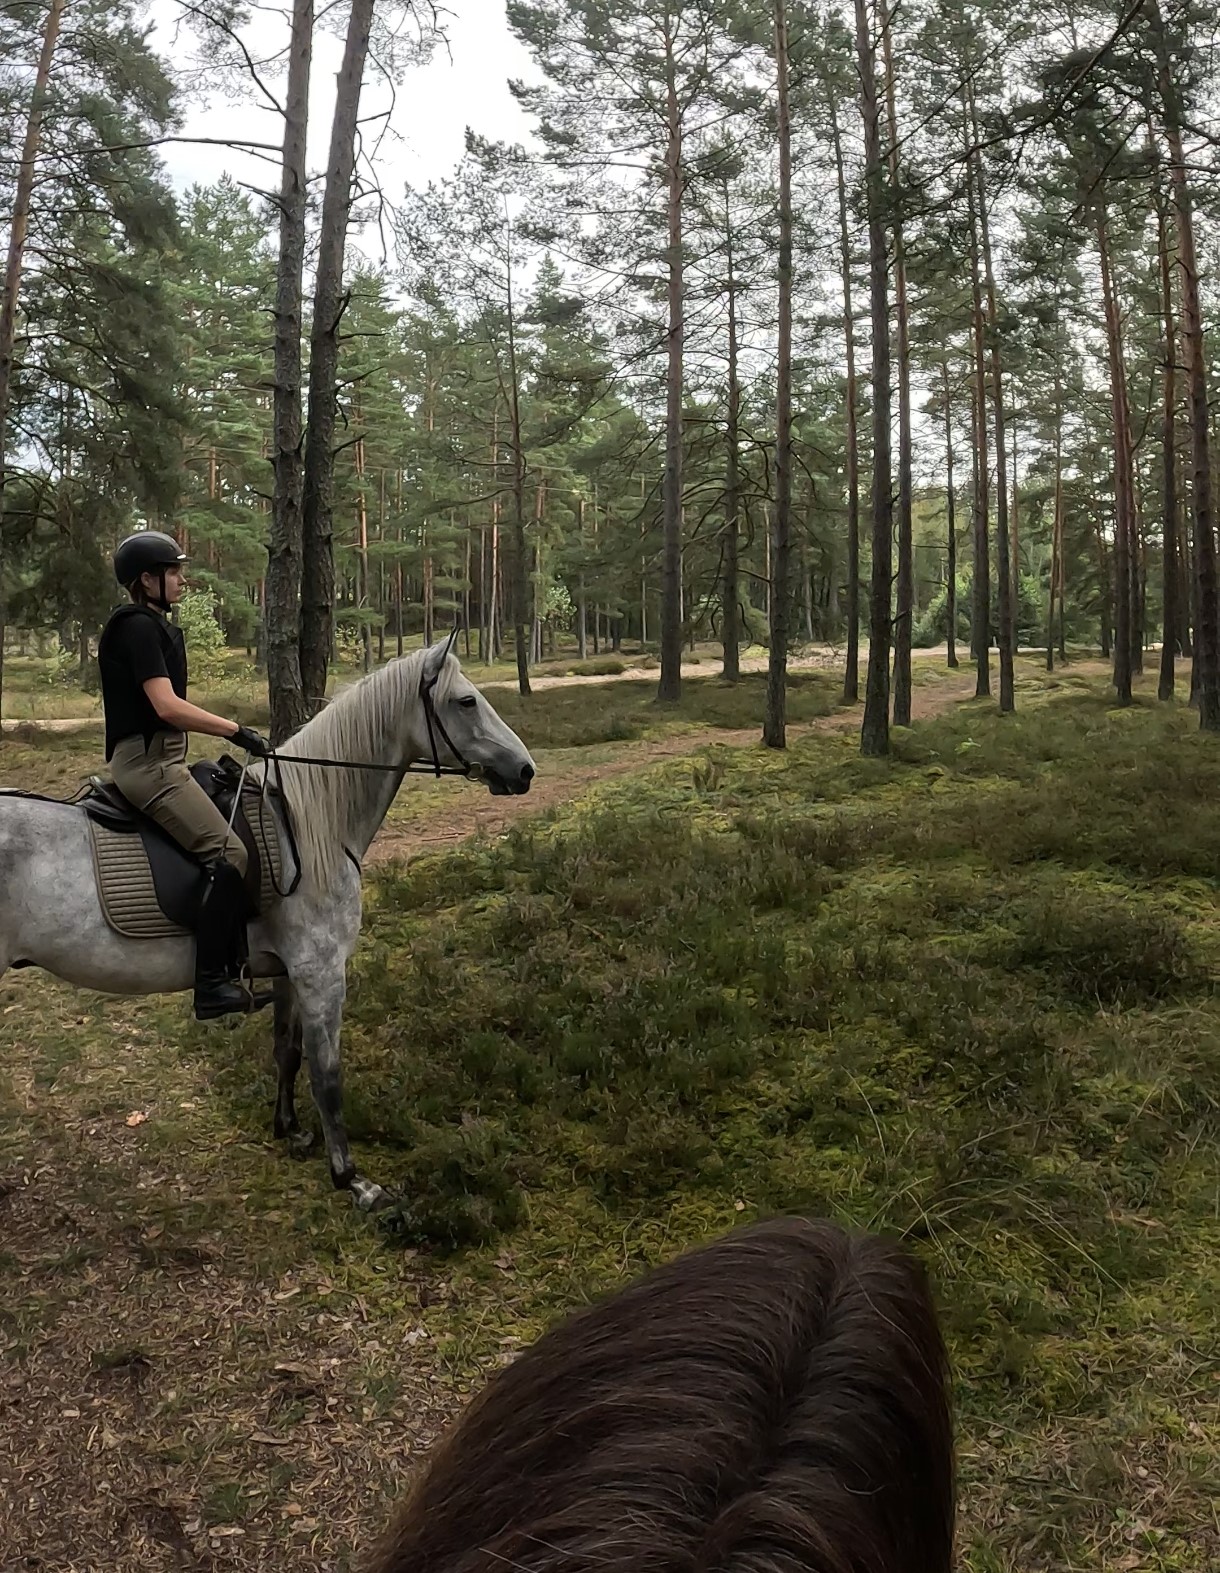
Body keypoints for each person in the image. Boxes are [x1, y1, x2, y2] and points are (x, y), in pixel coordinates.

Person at [98, 531, 274, 1021]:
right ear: (146, 580)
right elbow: (167, 707)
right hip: (149, 767)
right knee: (230, 853)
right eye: (172, 571)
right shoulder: (136, 628)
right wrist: (235, 730)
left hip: (166, 760)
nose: (181, 580)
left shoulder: (153, 625)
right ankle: (211, 983)